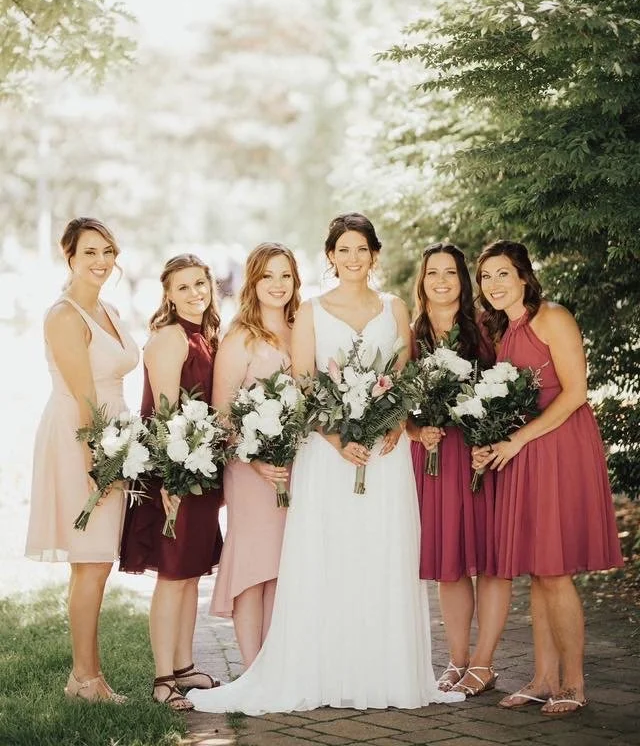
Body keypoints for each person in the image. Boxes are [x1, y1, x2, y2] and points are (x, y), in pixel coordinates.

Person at [188, 213, 465, 714]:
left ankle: (385, 672)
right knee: (330, 556)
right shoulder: (311, 312)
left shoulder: (396, 307)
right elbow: (306, 385)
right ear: (330, 257)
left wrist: (387, 425)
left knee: (381, 554)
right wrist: (338, 438)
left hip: (385, 455)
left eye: (362, 249)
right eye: (344, 250)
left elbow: (403, 381)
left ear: (374, 255)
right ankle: (324, 668)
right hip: (327, 453)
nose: (353, 258)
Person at [474, 240, 623, 714]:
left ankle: (573, 686)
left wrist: (517, 441)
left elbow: (576, 391)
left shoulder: (552, 317)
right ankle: (542, 678)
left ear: (523, 276)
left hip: (559, 447)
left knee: (555, 572)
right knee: (538, 571)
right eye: (486, 277)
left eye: (502, 274)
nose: (494, 284)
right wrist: (491, 442)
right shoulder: (501, 331)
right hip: (523, 450)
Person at [25, 217, 139, 702]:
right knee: (90, 562)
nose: (100, 261)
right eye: (89, 252)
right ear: (68, 256)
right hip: (81, 437)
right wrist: (99, 460)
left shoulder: (109, 308)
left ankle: (88, 676)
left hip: (112, 433)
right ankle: (85, 679)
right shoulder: (64, 316)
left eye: (107, 251)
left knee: (98, 561)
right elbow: (84, 394)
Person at [119, 254, 224, 711]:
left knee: (190, 573)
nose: (195, 292)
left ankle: (184, 666)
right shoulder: (169, 337)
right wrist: (171, 479)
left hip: (198, 467)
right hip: (174, 471)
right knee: (171, 574)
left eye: (200, 283)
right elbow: (164, 416)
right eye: (183, 287)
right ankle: (164, 678)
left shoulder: (204, 336)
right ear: (168, 294)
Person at [407, 242, 512, 698]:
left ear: (462, 280)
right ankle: (457, 659)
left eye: (451, 272)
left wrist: (489, 436)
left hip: (480, 456)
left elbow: (509, 389)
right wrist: (415, 431)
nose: (443, 281)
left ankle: (484, 663)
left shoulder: (486, 328)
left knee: (489, 559)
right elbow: (394, 400)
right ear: (422, 280)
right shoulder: (410, 335)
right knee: (449, 564)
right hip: (434, 459)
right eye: (434, 273)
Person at [210, 242, 301, 666]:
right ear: (253, 282)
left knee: (283, 567)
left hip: (297, 466)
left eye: (285, 275)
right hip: (250, 469)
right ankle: (251, 668)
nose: (277, 285)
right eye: (268, 276)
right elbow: (223, 413)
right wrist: (255, 458)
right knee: (253, 566)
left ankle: (275, 663)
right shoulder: (240, 338)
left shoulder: (302, 330)